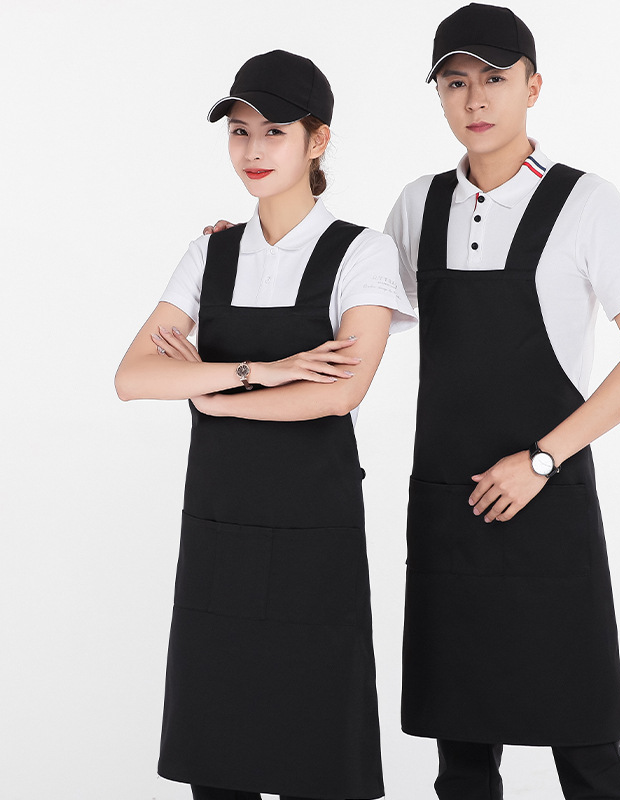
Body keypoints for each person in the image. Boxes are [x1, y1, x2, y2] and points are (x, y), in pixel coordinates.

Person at [384, 4, 620, 799]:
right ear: (438, 95)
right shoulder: (418, 205)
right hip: (451, 507)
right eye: (455, 82)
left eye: (494, 77)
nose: (475, 98)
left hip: (548, 506)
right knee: (461, 758)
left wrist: (542, 460)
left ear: (533, 87)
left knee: (586, 749)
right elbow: (356, 320)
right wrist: (245, 242)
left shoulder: (587, 202)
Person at [115, 49, 415, 800]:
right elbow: (134, 377)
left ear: (318, 141)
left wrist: (212, 393)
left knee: (318, 759)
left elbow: (340, 392)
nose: (253, 149)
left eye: (275, 131)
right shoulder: (210, 251)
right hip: (220, 533)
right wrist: (262, 371)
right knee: (217, 762)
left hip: (315, 537)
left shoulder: (362, 252)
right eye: (239, 131)